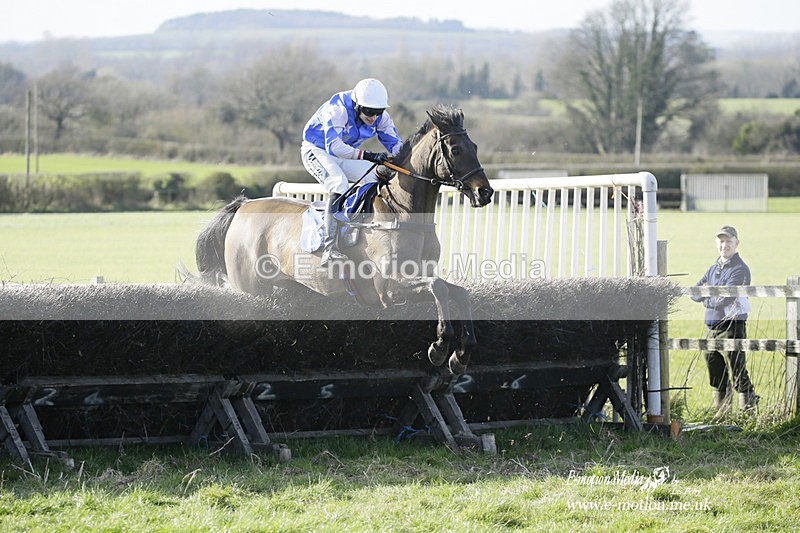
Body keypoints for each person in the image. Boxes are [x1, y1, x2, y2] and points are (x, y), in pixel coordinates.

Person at [301, 78, 404, 266]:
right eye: (369, 112)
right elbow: (334, 147)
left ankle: (361, 231)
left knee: (376, 179)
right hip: (317, 150)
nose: (373, 117)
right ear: (357, 106)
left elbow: (396, 145)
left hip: (344, 153)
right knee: (338, 184)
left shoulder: (381, 117)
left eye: (378, 112)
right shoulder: (338, 109)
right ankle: (329, 249)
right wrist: (369, 155)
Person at [692, 225, 758, 414]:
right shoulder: (713, 268)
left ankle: (747, 413)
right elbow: (694, 292)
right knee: (715, 372)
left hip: (732, 327)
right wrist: (709, 296)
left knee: (737, 371)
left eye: (728, 241)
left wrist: (707, 297)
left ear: (737, 243)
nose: (724, 245)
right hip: (711, 328)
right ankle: (723, 413)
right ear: (716, 243)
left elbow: (725, 299)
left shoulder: (740, 269)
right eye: (721, 241)